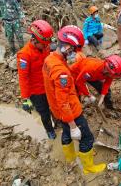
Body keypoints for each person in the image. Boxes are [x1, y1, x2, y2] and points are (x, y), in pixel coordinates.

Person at [42, 25, 106, 174]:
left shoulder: (49, 59)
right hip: (70, 112)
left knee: (65, 134)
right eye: (74, 50)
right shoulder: (61, 72)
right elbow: (63, 101)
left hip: (58, 112)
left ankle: (70, 157)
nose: (75, 53)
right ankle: (89, 168)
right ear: (66, 46)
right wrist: (73, 125)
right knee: (87, 138)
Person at [17, 20, 56, 139]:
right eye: (44, 44)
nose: (46, 46)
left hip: (48, 85)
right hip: (36, 92)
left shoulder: (45, 46)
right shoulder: (24, 55)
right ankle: (49, 130)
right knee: (44, 113)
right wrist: (25, 98)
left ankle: (58, 122)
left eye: (47, 44)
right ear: (34, 40)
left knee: (54, 106)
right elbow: (23, 78)